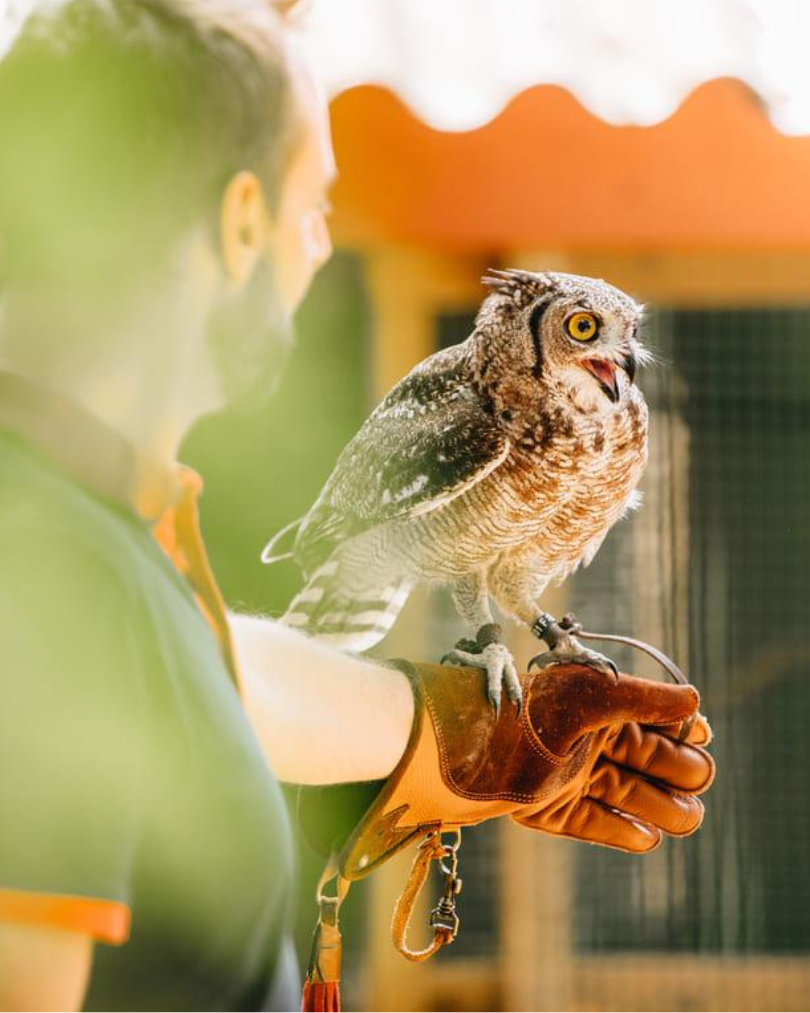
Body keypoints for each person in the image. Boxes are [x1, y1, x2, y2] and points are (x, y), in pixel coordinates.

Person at [0, 2, 714, 1010]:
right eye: (315, 206)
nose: (320, 248)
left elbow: (203, 675)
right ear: (243, 222)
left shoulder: (85, 536)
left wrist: (465, 732)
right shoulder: (45, 570)